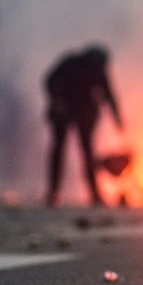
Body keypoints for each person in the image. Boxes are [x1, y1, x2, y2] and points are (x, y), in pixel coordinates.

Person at [44, 45, 123, 206]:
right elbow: (49, 81)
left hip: (84, 113)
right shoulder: (71, 64)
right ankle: (53, 192)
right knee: (59, 151)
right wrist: (56, 102)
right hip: (64, 110)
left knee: (87, 153)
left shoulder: (98, 71)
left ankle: (94, 194)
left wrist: (117, 119)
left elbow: (108, 95)